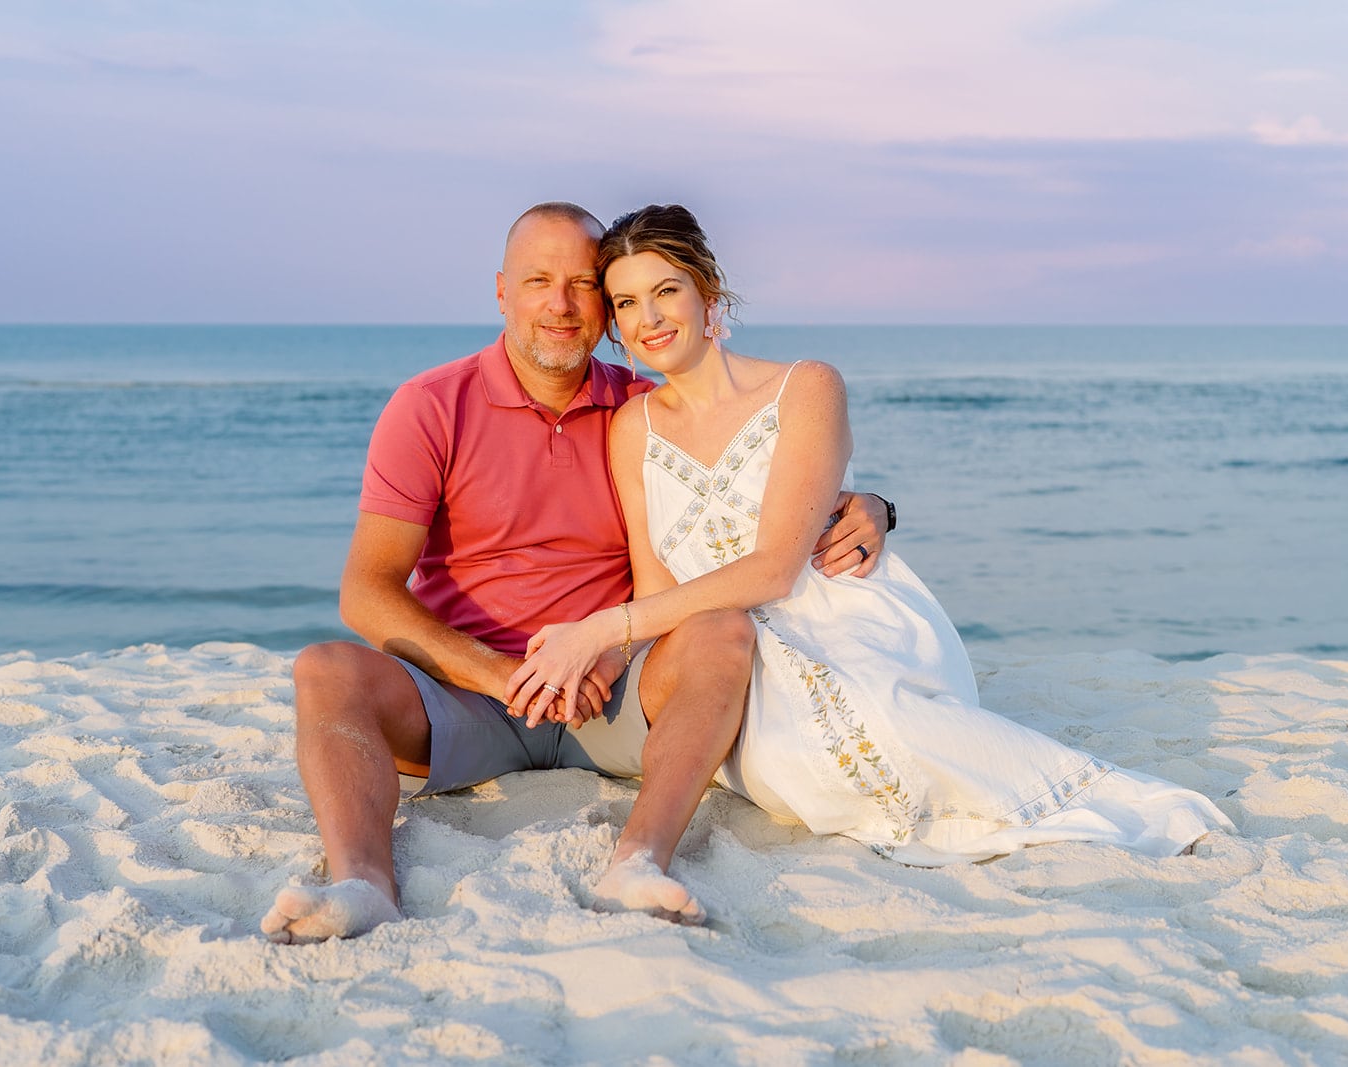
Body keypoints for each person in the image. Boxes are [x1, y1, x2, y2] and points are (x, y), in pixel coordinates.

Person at [509, 204, 1233, 866]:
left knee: (887, 715)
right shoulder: (633, 427)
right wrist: (608, 657)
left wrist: (601, 627)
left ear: (709, 297)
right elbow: (658, 583)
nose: (649, 318)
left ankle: (1116, 808)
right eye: (627, 302)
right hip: (729, 650)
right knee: (792, 759)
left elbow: (774, 570)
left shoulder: (806, 387)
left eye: (666, 290)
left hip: (844, 614)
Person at [260, 202, 891, 942]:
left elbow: (760, 489)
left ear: (606, 305)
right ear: (502, 291)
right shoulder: (430, 406)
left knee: (722, 632)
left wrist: (873, 503)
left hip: (613, 691)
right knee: (326, 669)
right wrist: (502, 675)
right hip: (467, 696)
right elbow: (366, 590)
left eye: (581, 285)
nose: (559, 305)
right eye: (537, 281)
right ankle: (363, 882)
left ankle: (639, 860)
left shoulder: (645, 410)